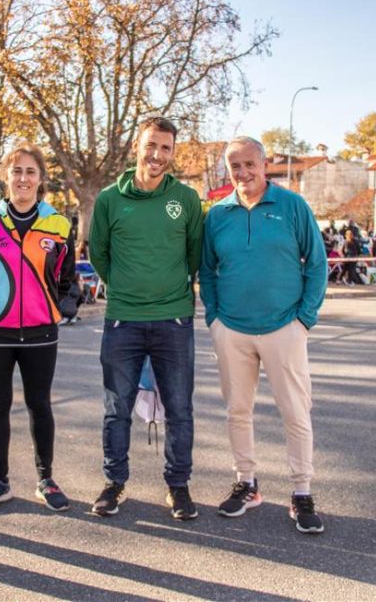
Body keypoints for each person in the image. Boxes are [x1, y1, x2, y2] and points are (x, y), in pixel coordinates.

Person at [199, 137, 327, 533]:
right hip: (232, 330)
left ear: (264, 163)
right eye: (235, 166)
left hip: (283, 328)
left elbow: (317, 263)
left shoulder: (292, 206)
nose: (243, 173)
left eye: (249, 164)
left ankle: (302, 492)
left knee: (295, 411)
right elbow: (207, 271)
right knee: (238, 410)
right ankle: (246, 483)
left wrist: (303, 319)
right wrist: (215, 320)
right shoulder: (218, 214)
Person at [88, 117, 203, 521]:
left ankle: (178, 486)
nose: (157, 155)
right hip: (123, 320)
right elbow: (99, 254)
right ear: (137, 146)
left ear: (173, 153)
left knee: (179, 409)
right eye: (151, 146)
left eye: (166, 148)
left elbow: (194, 255)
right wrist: (126, 288)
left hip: (174, 320)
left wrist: (169, 292)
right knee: (116, 409)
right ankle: (114, 483)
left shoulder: (186, 199)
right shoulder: (108, 200)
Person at [0, 143, 75, 513]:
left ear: (41, 179)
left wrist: (55, 308)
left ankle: (46, 479)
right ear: (5, 177)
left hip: (41, 330)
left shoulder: (57, 222)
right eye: (16, 171)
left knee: (40, 405)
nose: (23, 178)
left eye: (30, 172)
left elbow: (66, 277)